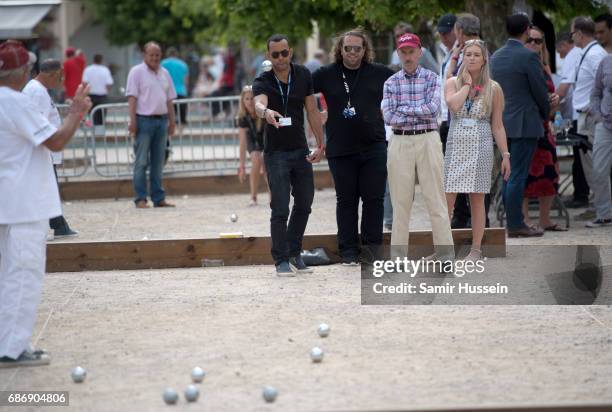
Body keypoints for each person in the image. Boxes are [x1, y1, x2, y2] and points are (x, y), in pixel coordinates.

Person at [0, 40, 91, 368]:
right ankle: (12, 348)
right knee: (23, 274)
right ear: (24, 71)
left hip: (7, 201)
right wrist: (77, 113)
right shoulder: (15, 101)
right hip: (23, 202)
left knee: (6, 275)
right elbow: (54, 139)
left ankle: (5, 343)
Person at [313, 28, 394, 265]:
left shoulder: (379, 73)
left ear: (364, 50)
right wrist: (315, 118)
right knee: (346, 201)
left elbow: (404, 82)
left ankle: (371, 252)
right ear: (340, 49)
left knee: (373, 200)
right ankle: (348, 251)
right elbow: (302, 90)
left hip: (374, 147)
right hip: (341, 149)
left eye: (357, 49)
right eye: (347, 48)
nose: (352, 53)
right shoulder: (326, 74)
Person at [253, 34, 325, 276]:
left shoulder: (303, 74)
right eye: (275, 55)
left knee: (305, 202)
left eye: (284, 53)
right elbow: (258, 104)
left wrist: (321, 144)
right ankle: (281, 259)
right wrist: (266, 113)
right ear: (268, 56)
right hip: (276, 153)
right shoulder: (263, 80)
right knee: (280, 207)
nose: (281, 58)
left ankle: (295, 252)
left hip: (300, 148)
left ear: (290, 52)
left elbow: (312, 109)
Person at [382, 33, 454, 260]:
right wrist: (416, 110)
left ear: (420, 52)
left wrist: (404, 109)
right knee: (400, 203)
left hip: (428, 139)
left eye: (411, 51)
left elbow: (434, 110)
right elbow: (388, 117)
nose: (407, 56)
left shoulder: (433, 78)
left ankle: (445, 255)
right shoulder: (390, 82)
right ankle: (398, 257)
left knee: (436, 200)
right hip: (400, 140)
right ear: (398, 53)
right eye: (403, 51)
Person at [445, 39, 511, 260]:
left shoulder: (494, 88)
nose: (471, 58)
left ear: (484, 60)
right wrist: (466, 85)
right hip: (456, 144)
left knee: (477, 199)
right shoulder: (452, 82)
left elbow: (498, 125)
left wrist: (505, 155)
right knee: (447, 199)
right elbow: (453, 105)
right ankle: (442, 249)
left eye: (476, 54)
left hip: (481, 144)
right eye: (468, 54)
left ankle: (476, 249)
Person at [490, 13, 550, 238]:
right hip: (525, 122)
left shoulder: (496, 56)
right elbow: (539, 91)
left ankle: (512, 220)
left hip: (502, 123)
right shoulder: (528, 56)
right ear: (527, 29)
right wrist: (546, 113)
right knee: (517, 175)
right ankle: (516, 224)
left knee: (508, 174)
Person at [22, 59, 79, 239]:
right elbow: (38, 124)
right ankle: (55, 225)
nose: (61, 80)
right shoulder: (37, 92)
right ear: (53, 74)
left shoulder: (37, 89)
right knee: (47, 189)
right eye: (60, 76)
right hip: (44, 151)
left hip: (46, 151)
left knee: (50, 189)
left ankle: (59, 224)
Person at [522, 27, 566, 232]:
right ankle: (524, 218)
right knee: (524, 175)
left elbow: (552, 103)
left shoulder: (544, 67)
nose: (533, 44)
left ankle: (544, 219)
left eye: (538, 41)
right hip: (524, 126)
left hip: (544, 127)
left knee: (550, 173)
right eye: (530, 40)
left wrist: (555, 100)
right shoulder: (519, 65)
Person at [126, 41, 177, 209]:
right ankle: (140, 198)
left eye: (157, 55)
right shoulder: (136, 72)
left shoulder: (165, 73)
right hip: (143, 121)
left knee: (158, 161)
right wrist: (132, 121)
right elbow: (132, 98)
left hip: (162, 121)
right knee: (141, 162)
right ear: (145, 55)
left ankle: (158, 197)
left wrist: (172, 121)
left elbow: (169, 99)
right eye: (151, 54)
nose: (155, 58)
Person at [570, 16, 608, 221]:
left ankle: (602, 207)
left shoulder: (595, 55)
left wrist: (596, 110)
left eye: (572, 33)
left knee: (595, 164)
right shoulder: (589, 53)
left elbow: (603, 85)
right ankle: (600, 205)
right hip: (584, 115)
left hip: (590, 116)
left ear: (579, 33)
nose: (572, 37)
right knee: (589, 163)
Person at [556, 32, 589, 209]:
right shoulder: (581, 53)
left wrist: (551, 103)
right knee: (581, 156)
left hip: (577, 114)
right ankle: (581, 193)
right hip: (577, 113)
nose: (559, 54)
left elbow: (564, 88)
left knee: (580, 156)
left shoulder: (572, 55)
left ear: (563, 45)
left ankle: (580, 195)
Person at [586, 54, 612, 228]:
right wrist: (597, 115)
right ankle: (604, 214)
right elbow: (595, 92)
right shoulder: (606, 61)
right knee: (598, 170)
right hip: (606, 124)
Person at [237, 85, 267, 206]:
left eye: (252, 98)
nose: (249, 102)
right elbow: (243, 143)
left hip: (265, 140)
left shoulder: (262, 112)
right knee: (255, 158)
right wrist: (242, 166)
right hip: (252, 140)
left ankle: (273, 196)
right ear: (242, 101)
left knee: (266, 163)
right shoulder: (242, 117)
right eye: (247, 99)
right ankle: (253, 197)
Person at [82, 54, 113, 126]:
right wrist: (106, 90)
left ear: (93, 60)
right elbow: (109, 83)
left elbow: (84, 82)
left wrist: (85, 92)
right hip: (102, 95)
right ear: (101, 60)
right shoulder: (105, 70)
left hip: (91, 95)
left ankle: (93, 132)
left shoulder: (88, 69)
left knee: (92, 115)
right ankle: (100, 133)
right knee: (101, 116)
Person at [161, 47, 189, 125]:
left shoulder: (163, 64)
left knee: (169, 117)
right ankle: (181, 134)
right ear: (176, 54)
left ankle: (171, 134)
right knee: (182, 117)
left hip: (167, 93)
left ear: (167, 54)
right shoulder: (183, 64)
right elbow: (186, 81)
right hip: (181, 92)